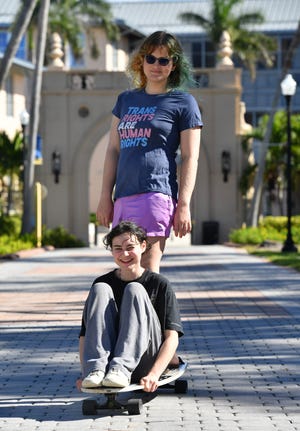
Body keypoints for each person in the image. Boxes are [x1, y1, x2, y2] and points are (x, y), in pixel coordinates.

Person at [96, 30, 203, 272]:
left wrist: (183, 204)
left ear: (173, 65)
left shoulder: (184, 103)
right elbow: (113, 150)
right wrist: (105, 196)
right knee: (127, 268)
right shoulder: (125, 100)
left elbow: (190, 157)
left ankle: (150, 311)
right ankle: (132, 311)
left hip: (156, 195)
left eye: (164, 60)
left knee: (147, 267)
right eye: (151, 58)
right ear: (141, 61)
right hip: (123, 196)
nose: (156, 65)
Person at [77, 220, 183, 393]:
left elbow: (172, 338)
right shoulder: (102, 282)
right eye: (117, 248)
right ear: (112, 251)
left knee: (134, 289)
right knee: (101, 288)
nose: (124, 254)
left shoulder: (159, 283)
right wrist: (84, 373)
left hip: (144, 362)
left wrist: (154, 375)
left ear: (143, 246)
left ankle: (121, 369)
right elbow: (85, 335)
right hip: (106, 368)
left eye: (130, 247)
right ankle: (96, 370)